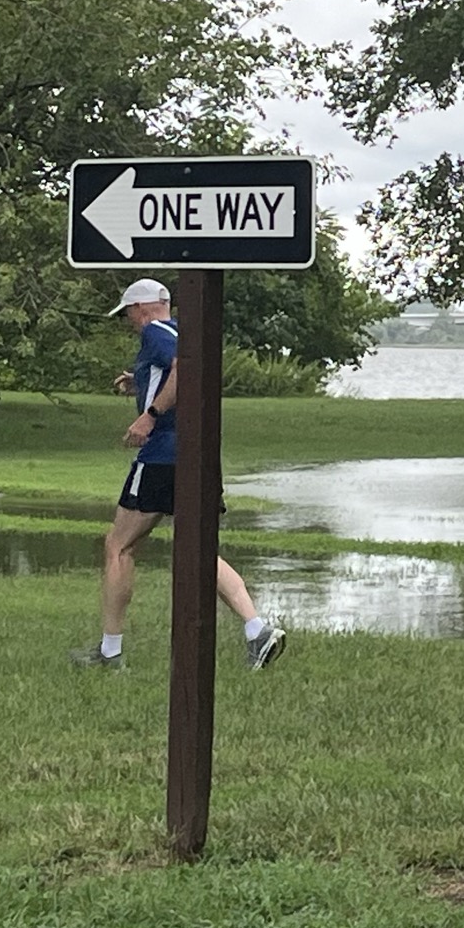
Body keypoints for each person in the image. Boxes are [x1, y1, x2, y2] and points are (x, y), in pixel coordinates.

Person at [77, 277, 286, 672]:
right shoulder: (186, 332)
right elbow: (188, 372)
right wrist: (139, 382)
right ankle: (257, 630)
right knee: (197, 548)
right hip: (200, 454)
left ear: (140, 307)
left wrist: (149, 415)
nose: (127, 321)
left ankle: (109, 652)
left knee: (118, 546)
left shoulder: (155, 331)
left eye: (126, 313)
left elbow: (181, 369)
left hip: (161, 457)